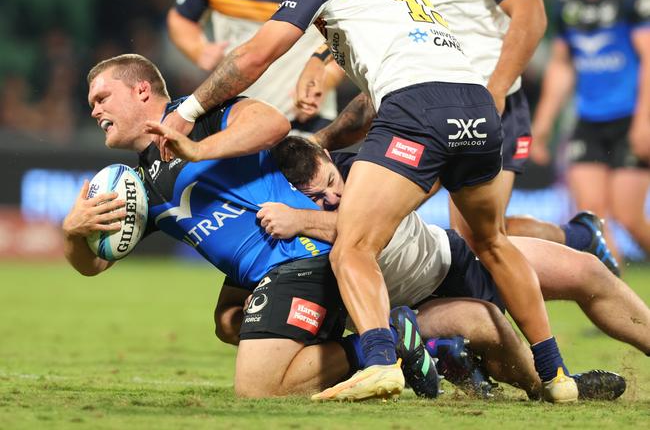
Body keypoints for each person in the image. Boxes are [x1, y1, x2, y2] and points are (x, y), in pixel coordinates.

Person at [158, 0, 579, 403]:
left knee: (353, 247)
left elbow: (255, 55)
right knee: (492, 242)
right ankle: (556, 374)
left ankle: (380, 361)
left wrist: (191, 110)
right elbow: (373, 99)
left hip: (418, 110)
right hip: (476, 104)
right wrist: (323, 140)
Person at [61, 53, 437, 399]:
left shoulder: (200, 118)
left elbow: (273, 123)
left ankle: (381, 341)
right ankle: (391, 341)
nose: (95, 111)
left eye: (102, 98)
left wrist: (198, 149)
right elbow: (93, 265)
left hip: (301, 256)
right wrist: (74, 232)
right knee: (229, 323)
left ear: (141, 91)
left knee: (258, 388)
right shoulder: (143, 187)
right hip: (272, 274)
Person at [217, 136, 645, 400]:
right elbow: (227, 315)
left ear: (331, 158)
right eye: (315, 198)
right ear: (287, 194)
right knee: (491, 325)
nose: (332, 197)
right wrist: (246, 318)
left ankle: (454, 361)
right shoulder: (271, 226)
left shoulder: (363, 170)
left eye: (331, 183)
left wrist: (304, 219)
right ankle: (552, 386)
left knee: (586, 271)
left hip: (450, 259)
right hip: (411, 312)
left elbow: (363, 227)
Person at [294, 0, 619, 274]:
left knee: (477, 239)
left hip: (486, 101)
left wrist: (497, 89)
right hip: (420, 99)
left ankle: (575, 245)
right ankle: (578, 238)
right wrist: (322, 67)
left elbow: (531, 14)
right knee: (379, 225)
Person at [531, 0, 650, 264]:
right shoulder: (568, 2)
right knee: (594, 220)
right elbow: (561, 66)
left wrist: (645, 122)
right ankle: (622, 307)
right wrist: (541, 127)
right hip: (588, 122)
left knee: (629, 217)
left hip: (630, 118)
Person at [167, 0, 337, 132]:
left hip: (304, 115)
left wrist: (326, 78)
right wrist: (198, 50)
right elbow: (180, 18)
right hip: (237, 115)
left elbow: (345, 36)